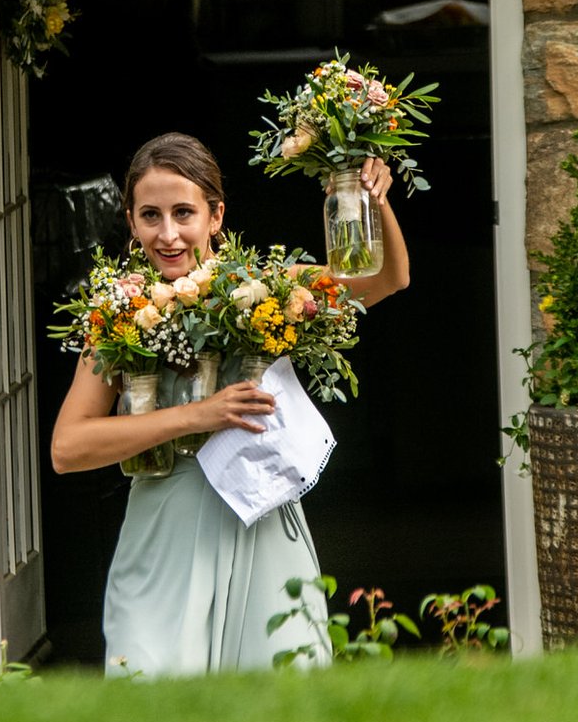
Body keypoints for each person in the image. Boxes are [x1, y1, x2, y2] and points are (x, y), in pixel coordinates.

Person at [49, 133, 411, 677]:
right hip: (162, 534)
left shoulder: (267, 291)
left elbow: (387, 279)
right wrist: (196, 415)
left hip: (260, 521)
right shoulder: (118, 316)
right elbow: (67, 447)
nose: (167, 234)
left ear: (216, 216)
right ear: (130, 220)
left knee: (280, 706)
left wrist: (371, 200)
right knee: (150, 699)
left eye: (183, 213)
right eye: (150, 215)